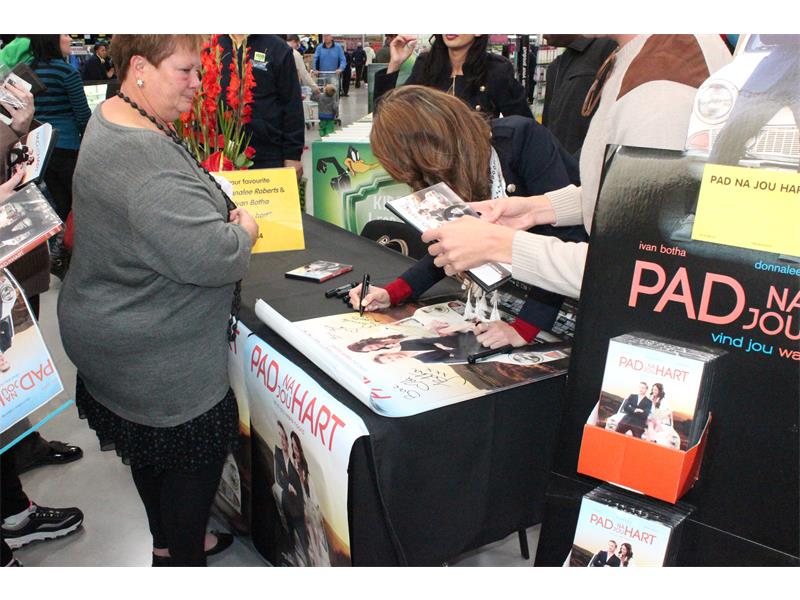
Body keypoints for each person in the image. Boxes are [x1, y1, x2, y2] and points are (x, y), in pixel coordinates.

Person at [57, 34, 257, 567]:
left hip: (110, 330)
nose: (197, 83)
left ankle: (166, 542)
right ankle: (180, 560)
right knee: (190, 461)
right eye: (185, 71)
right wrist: (245, 232)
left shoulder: (113, 113)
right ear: (141, 67)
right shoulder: (145, 164)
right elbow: (216, 258)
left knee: (145, 448)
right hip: (155, 360)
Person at [420, 35, 732, 299]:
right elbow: (632, 196)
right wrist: (538, 209)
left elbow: (638, 268)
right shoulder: (646, 57)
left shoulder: (662, 84)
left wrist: (499, 245)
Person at [349, 86, 583, 349]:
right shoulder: (446, 170)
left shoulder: (523, 140)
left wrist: (524, 328)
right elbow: (452, 246)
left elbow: (567, 235)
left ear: (432, 148)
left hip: (575, 289)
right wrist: (394, 292)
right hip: (523, 290)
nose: (418, 181)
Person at [0, 77, 83, 475]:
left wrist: (20, 128)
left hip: (17, 254)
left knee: (15, 363)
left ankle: (20, 448)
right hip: (10, 253)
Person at [27, 34, 93, 279]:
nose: (69, 38)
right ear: (53, 39)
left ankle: (55, 254)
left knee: (50, 206)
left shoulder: (28, 71)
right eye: (64, 33)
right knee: (73, 206)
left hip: (37, 150)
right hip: (66, 147)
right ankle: (67, 258)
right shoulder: (66, 72)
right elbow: (83, 115)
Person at [374, 34, 531, 118]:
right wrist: (395, 64)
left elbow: (524, 125)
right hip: (428, 164)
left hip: (477, 164)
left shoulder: (495, 69)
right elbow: (386, 116)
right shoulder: (426, 64)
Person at [219, 35, 304, 178]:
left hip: (267, 155)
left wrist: (292, 155)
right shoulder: (213, 45)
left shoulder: (277, 48)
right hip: (218, 155)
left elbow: (292, 103)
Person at [541, 35, 618, 156]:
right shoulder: (556, 66)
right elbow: (549, 122)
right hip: (560, 160)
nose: (544, 35)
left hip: (589, 160)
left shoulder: (607, 48)